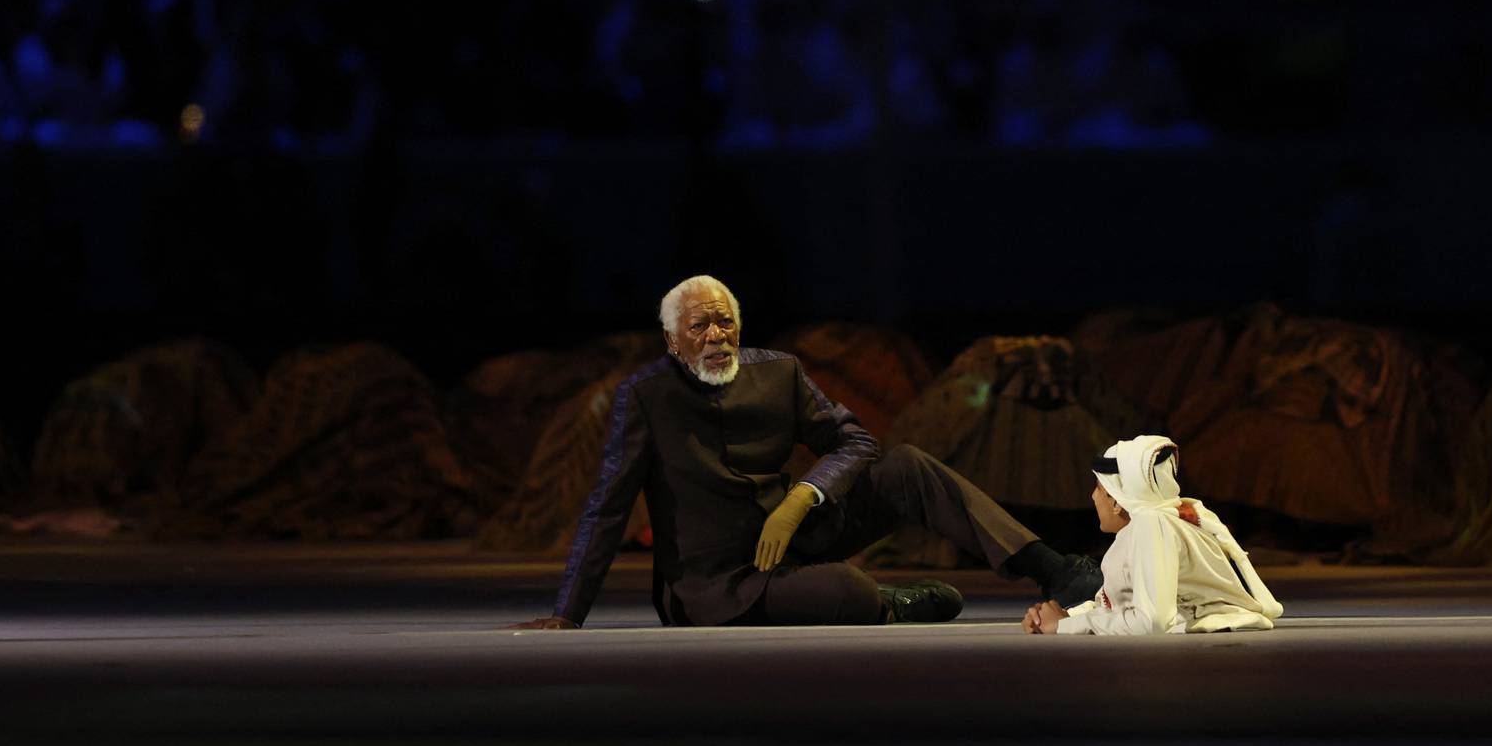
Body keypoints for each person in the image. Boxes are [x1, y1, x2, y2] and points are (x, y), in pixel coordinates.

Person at [513, 275, 1101, 628]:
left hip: (796, 533)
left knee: (908, 465)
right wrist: (570, 610)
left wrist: (804, 494)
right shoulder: (644, 398)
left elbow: (856, 440)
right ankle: (886, 604)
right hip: (720, 582)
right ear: (672, 340)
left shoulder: (779, 373)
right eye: (698, 327)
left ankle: (1053, 571)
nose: (715, 337)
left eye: (724, 324)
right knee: (845, 588)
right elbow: (606, 507)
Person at [1020, 434, 1283, 636]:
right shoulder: (1170, 516)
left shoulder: (1152, 523)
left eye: (1099, 488)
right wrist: (1062, 617)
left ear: (1117, 500)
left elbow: (1152, 621)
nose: (1092, 496)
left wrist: (1066, 627)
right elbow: (1125, 604)